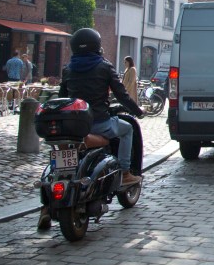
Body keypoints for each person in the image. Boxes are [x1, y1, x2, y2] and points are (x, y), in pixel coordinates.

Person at [39, 28, 145, 230]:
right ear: (97, 45)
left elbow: (62, 96)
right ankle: (124, 172)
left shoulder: (68, 69)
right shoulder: (104, 67)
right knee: (127, 129)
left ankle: (46, 205)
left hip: (72, 126)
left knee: (60, 158)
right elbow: (121, 94)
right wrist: (137, 111)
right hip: (99, 123)